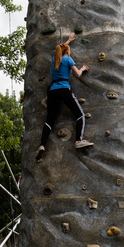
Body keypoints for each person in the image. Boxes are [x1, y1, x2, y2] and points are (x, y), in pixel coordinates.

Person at [36, 32, 94, 161]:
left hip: (52, 90)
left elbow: (59, 49)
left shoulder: (54, 60)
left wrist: (68, 41)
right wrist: (83, 68)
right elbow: (77, 74)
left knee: (49, 121)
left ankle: (41, 145)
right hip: (64, 89)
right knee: (80, 115)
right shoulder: (68, 59)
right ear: (67, 51)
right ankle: (78, 141)